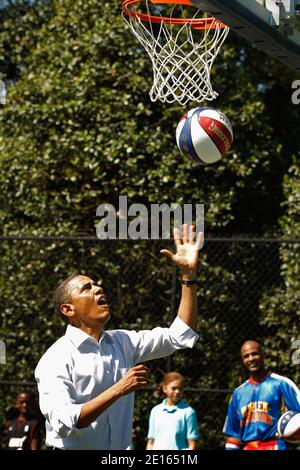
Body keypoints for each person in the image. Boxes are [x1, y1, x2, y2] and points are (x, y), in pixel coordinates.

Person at [35, 224, 203, 450]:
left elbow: (180, 335)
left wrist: (188, 276)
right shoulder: (55, 358)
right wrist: (120, 388)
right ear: (68, 310)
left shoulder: (123, 341)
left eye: (96, 284)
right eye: (87, 288)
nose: (98, 288)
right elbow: (67, 421)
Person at [223, 340, 300, 450]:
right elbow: (234, 435)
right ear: (242, 360)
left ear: (262, 355)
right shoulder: (238, 393)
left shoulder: (282, 384)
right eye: (246, 356)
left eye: (254, 354)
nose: (251, 359)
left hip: (276, 446)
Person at [146, 371, 199, 450]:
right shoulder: (155, 411)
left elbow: (192, 444)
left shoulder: (189, 412)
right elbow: (151, 442)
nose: (177, 391)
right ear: (164, 388)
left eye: (180, 389)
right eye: (173, 388)